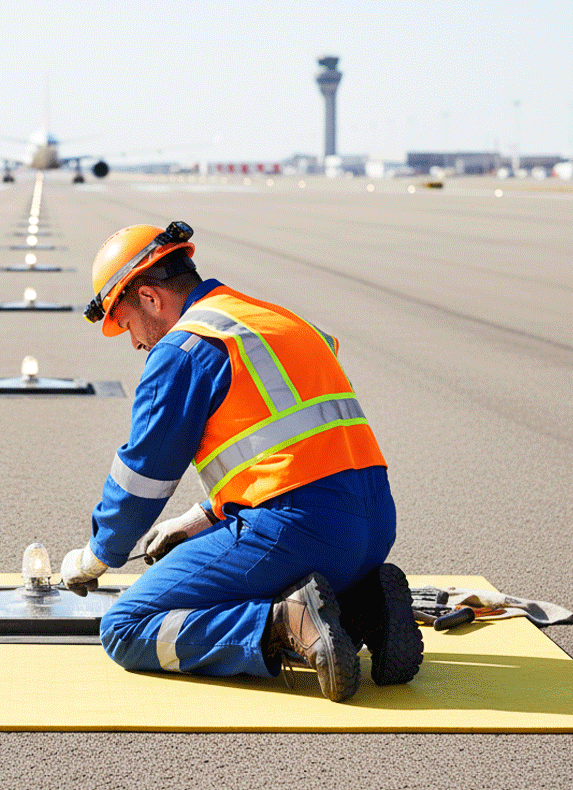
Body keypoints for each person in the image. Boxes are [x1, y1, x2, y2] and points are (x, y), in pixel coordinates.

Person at [61, 221, 423, 702]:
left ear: (149, 297)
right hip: (374, 528)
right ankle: (364, 604)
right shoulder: (277, 320)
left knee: (127, 626)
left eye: (127, 324)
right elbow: (291, 446)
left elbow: (142, 479)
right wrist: (198, 520)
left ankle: (281, 625)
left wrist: (94, 558)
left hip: (298, 530)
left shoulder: (184, 350)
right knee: (262, 568)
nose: (135, 343)